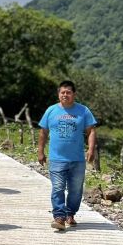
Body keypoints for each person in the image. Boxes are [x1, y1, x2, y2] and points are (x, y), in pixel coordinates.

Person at [37, 80, 97, 230]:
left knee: (76, 190)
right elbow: (43, 132)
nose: (65, 95)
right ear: (58, 94)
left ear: (74, 94)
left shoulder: (83, 111)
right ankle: (59, 217)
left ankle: (70, 213)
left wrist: (91, 149)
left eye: (68, 92)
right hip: (57, 158)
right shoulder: (51, 111)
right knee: (57, 187)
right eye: (62, 92)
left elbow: (91, 131)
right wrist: (40, 151)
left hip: (77, 159)